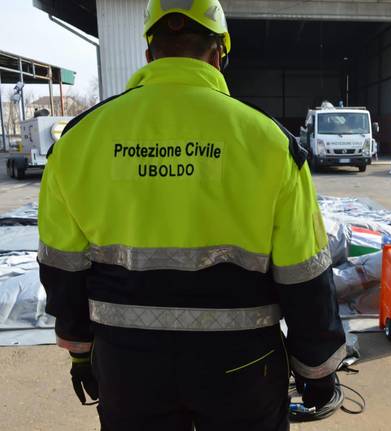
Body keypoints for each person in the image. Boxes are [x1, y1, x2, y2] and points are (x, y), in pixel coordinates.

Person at [37, 1, 345, 430]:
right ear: (219, 54)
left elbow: (61, 266)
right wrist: (317, 369)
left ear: (149, 54)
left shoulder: (78, 141)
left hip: (127, 365)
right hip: (242, 367)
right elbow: (304, 272)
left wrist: (82, 353)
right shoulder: (270, 141)